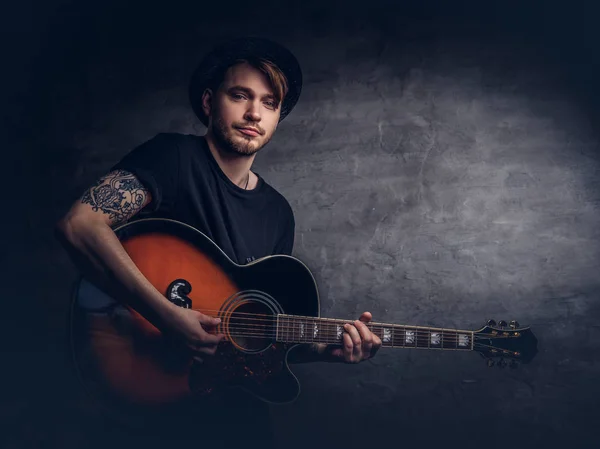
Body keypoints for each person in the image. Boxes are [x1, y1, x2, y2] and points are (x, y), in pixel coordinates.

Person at [55, 36, 382, 449]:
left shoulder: (278, 212)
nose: (253, 113)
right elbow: (79, 225)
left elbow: (254, 337)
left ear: (278, 117)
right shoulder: (173, 158)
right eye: (240, 95)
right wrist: (167, 317)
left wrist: (324, 349)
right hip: (152, 406)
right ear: (210, 103)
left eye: (269, 103)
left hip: (234, 418)